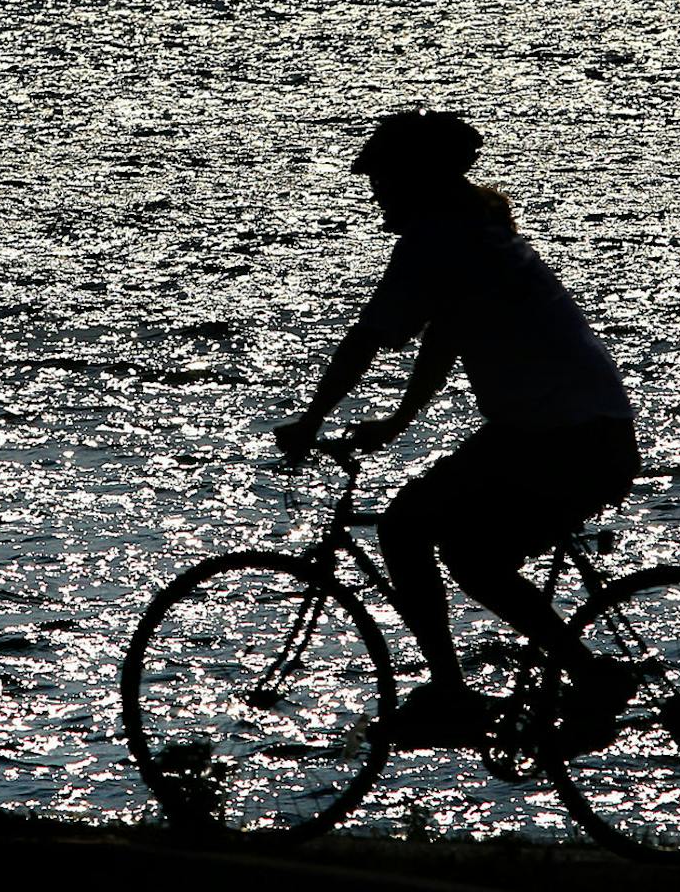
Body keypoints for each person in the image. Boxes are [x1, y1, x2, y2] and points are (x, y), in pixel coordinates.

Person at [273, 111, 641, 751]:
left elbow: (368, 337)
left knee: (407, 530)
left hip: (557, 438)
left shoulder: (438, 240)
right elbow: (443, 339)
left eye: (384, 182)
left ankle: (457, 693)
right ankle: (581, 677)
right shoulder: (477, 236)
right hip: (578, 432)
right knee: (470, 554)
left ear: (416, 183)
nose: (377, 195)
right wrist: (398, 420)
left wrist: (310, 420)